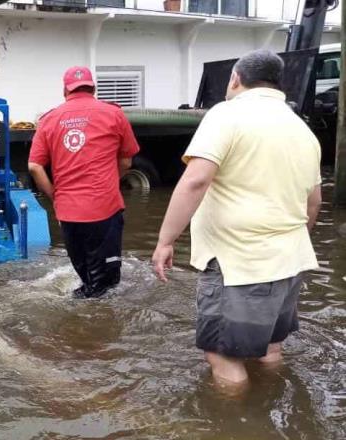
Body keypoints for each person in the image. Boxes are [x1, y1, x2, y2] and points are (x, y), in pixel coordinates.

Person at [151, 50, 322, 386]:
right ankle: (274, 406)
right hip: (290, 261)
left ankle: (235, 427)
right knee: (270, 350)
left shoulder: (227, 114)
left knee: (222, 355)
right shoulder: (302, 130)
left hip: (239, 263)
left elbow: (196, 180)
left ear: (235, 78)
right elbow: (313, 203)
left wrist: (165, 241)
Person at [28, 66, 140, 298]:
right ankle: (98, 327)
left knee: (87, 276)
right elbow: (127, 161)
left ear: (65, 90)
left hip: (69, 213)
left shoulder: (49, 119)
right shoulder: (114, 114)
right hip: (104, 209)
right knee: (107, 286)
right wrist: (109, 181)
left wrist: (56, 196)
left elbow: (34, 167)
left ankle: (80, 321)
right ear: (93, 87)